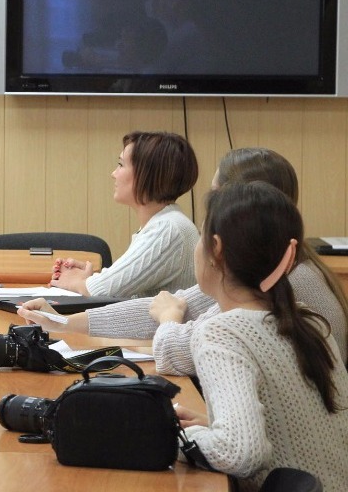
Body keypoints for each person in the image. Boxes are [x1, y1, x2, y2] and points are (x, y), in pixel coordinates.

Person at [21, 147, 348, 376]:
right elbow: (176, 305)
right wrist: (64, 322)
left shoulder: (273, 281)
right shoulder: (281, 264)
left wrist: (168, 319)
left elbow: (179, 345)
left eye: (215, 195)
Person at [175, 181, 348, 491]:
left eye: (201, 236)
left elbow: (238, 454)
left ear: (216, 248)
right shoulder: (309, 322)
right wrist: (214, 428)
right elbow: (300, 428)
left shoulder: (221, 333)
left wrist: (171, 435)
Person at [50, 131, 198, 298]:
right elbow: (119, 287)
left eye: (121, 165)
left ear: (146, 174)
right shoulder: (166, 222)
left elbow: (100, 291)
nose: (113, 174)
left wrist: (75, 281)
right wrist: (88, 279)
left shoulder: (168, 230)